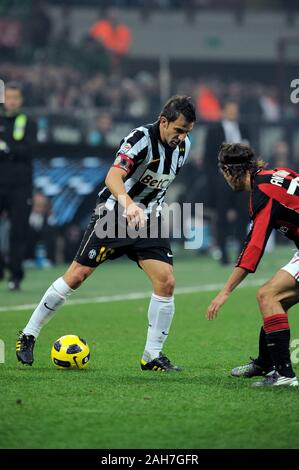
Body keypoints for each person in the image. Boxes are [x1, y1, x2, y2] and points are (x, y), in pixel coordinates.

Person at [16, 95, 196, 372]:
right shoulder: (140, 139)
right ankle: (28, 334)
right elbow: (113, 177)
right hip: (115, 215)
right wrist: (129, 205)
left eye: (187, 132)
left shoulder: (184, 147)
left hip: (149, 219)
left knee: (166, 281)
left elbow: (158, 184)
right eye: (179, 130)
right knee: (76, 275)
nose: (182, 137)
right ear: (163, 121)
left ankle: (152, 355)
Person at [207, 142, 299, 387]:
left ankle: (284, 376)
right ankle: (265, 363)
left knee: (267, 295)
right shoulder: (275, 174)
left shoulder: (263, 193)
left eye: (224, 173)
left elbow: (253, 248)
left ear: (230, 172)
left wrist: (224, 292)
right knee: (278, 299)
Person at [203, 100, 250, 265]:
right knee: (221, 217)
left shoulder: (244, 129)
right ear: (223, 112)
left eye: (235, 110)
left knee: (244, 216)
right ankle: (223, 254)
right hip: (222, 179)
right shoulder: (214, 131)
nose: (233, 113)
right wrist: (216, 179)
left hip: (242, 180)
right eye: (230, 110)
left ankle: (241, 254)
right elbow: (207, 158)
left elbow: (251, 153)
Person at [0, 82, 37, 290]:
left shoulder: (28, 123)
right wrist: (12, 150)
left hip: (20, 187)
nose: (12, 101)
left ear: (21, 100)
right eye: (9, 97)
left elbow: (30, 150)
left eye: (15, 97)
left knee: (18, 232)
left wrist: (7, 147)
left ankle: (15, 276)